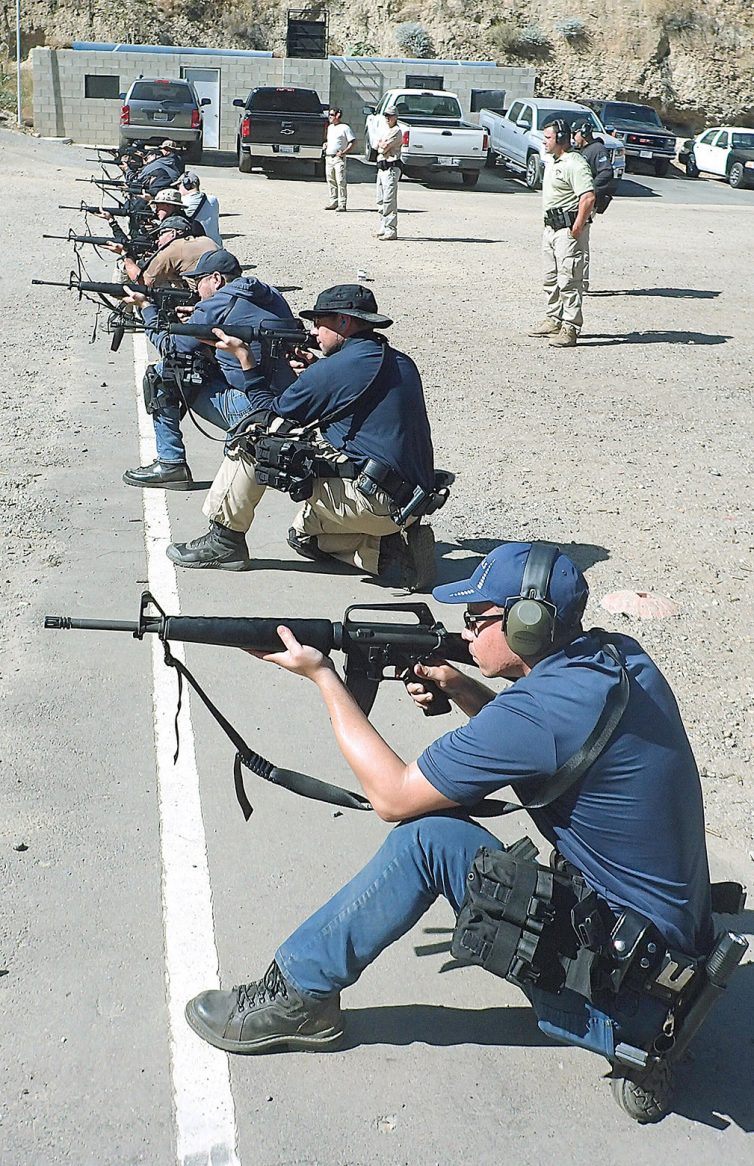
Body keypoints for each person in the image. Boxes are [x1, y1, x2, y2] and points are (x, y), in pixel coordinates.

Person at [183, 541, 715, 1121]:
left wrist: (324, 679)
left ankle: (298, 995)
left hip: (628, 972)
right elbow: (544, 738)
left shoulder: (534, 718)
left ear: (528, 625)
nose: (463, 634)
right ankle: (639, 1019)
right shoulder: (615, 658)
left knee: (425, 839)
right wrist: (461, 687)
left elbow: (392, 797)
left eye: (476, 619)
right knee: (444, 830)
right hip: (677, 942)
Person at [166, 284, 437, 582]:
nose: (315, 331)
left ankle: (224, 540)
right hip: (410, 503)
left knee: (255, 438)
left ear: (344, 322)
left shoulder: (335, 370)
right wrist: (318, 369)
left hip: (371, 502)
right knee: (302, 535)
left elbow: (269, 414)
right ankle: (387, 553)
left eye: (320, 322)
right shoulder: (399, 360)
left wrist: (245, 359)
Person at [122, 249, 296, 490]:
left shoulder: (217, 303)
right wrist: (198, 317)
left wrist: (147, 308)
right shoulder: (270, 294)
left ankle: (171, 464)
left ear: (216, 279)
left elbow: (170, 347)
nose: (195, 290)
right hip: (286, 403)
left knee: (162, 373)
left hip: (253, 408)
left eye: (198, 282)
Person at [529, 120, 595, 348]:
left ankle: (570, 326)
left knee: (569, 279)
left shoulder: (575, 163)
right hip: (551, 229)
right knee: (550, 278)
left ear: (560, 139)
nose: (544, 141)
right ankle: (554, 318)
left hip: (567, 231)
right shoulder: (554, 162)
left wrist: (576, 228)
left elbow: (587, 197)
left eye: (547, 137)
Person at [112, 215, 217, 288]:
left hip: (198, 296)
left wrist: (126, 256)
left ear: (173, 233)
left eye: (161, 234)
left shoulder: (173, 248)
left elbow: (143, 282)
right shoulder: (207, 240)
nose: (158, 240)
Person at [572, 121, 617, 293]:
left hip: (588, 203)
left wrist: (589, 189)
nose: (574, 138)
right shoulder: (583, 151)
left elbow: (606, 172)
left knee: (581, 240)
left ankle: (582, 283)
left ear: (583, 132)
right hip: (580, 201)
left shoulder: (597, 149)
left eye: (576, 133)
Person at [375, 107, 402, 241]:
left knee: (389, 200)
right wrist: (381, 144)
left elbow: (383, 148)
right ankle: (383, 225)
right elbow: (376, 145)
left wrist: (382, 145)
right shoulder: (385, 129)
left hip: (391, 168)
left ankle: (391, 229)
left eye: (390, 116)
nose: (387, 118)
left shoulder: (396, 131)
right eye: (386, 115)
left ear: (395, 117)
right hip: (381, 167)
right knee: (380, 199)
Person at [323, 109, 356, 212]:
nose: (330, 117)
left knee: (340, 180)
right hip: (329, 157)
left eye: (332, 115)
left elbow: (352, 142)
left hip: (338, 158)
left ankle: (342, 203)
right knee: (330, 180)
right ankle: (333, 201)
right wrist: (326, 144)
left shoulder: (345, 128)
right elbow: (330, 141)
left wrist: (344, 152)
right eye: (329, 115)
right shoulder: (330, 128)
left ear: (338, 115)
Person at [180, 171, 222, 245]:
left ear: (186, 185)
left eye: (178, 186)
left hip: (199, 248)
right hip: (217, 245)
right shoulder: (213, 199)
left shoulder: (182, 201)